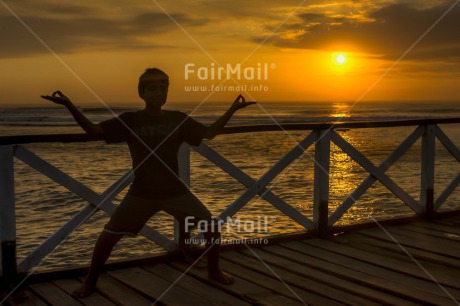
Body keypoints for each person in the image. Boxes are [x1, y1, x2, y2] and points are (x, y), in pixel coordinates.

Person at [41, 68, 255, 298]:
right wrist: (70, 105)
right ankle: (90, 282)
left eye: (163, 89)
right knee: (108, 237)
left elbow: (209, 133)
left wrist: (232, 110)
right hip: (141, 193)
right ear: (142, 93)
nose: (159, 93)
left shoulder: (178, 119)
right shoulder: (131, 120)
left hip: (175, 192)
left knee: (211, 228)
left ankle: (214, 270)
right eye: (153, 89)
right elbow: (94, 131)